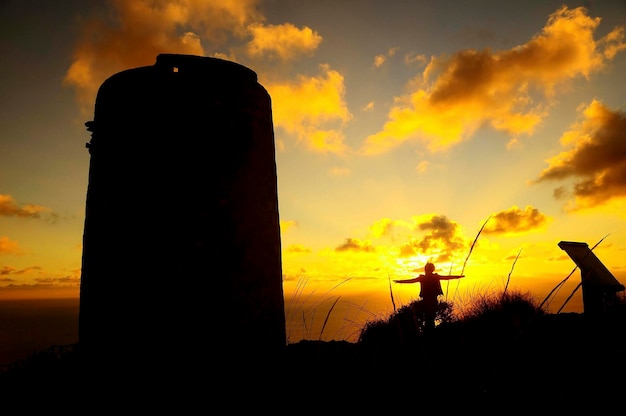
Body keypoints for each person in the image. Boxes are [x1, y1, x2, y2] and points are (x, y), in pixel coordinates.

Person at [394, 262, 464, 331]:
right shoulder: (434, 277)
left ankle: (429, 331)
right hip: (431, 300)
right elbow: (447, 277)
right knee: (430, 318)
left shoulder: (424, 278)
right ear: (432, 269)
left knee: (428, 318)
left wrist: (400, 281)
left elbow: (411, 281)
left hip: (427, 300)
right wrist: (458, 277)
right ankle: (430, 331)